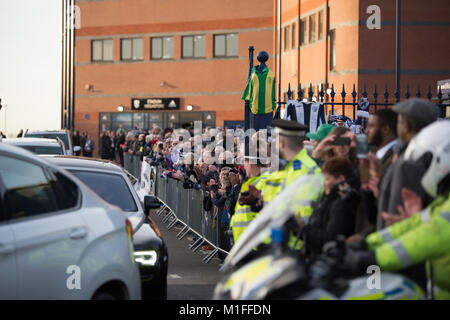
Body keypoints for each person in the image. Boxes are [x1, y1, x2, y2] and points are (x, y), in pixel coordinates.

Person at [343, 120, 450, 300]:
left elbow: (419, 241)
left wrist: (373, 257)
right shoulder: (443, 200)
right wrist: (366, 242)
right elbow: (417, 224)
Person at [299, 156, 360, 260]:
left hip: (329, 261)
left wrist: (303, 230)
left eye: (327, 179)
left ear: (341, 179)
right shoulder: (327, 198)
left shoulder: (341, 203)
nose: (324, 183)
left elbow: (331, 238)